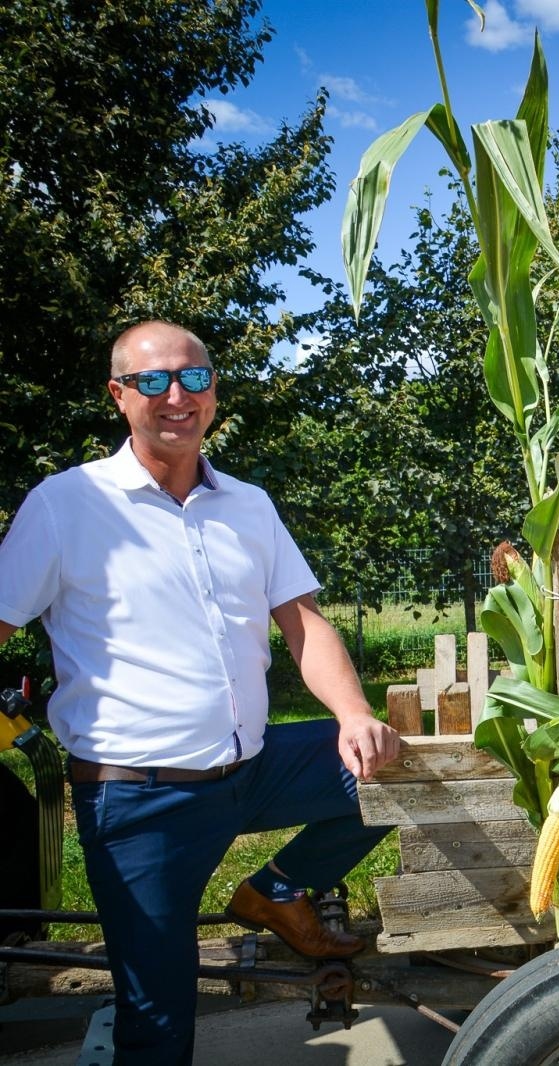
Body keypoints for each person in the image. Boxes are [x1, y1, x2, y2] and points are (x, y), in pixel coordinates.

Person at [0, 321, 399, 1065]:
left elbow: (304, 624)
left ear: (214, 391)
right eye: (152, 381)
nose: (176, 395)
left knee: (399, 767)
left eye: (193, 377)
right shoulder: (66, 505)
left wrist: (354, 714)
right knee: (158, 1021)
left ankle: (279, 890)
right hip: (140, 801)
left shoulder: (248, 504)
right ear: (119, 396)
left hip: (253, 767)